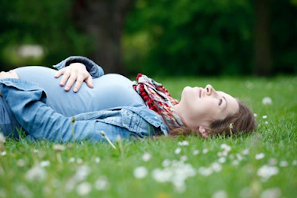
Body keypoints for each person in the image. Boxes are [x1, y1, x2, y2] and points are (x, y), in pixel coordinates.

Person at [0, 56, 256, 143]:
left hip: (8, 108)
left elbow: (63, 132)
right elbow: (97, 87)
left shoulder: (146, 125)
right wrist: (79, 66)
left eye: (219, 101)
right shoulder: (156, 98)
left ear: (206, 131)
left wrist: (13, 87)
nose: (210, 87)